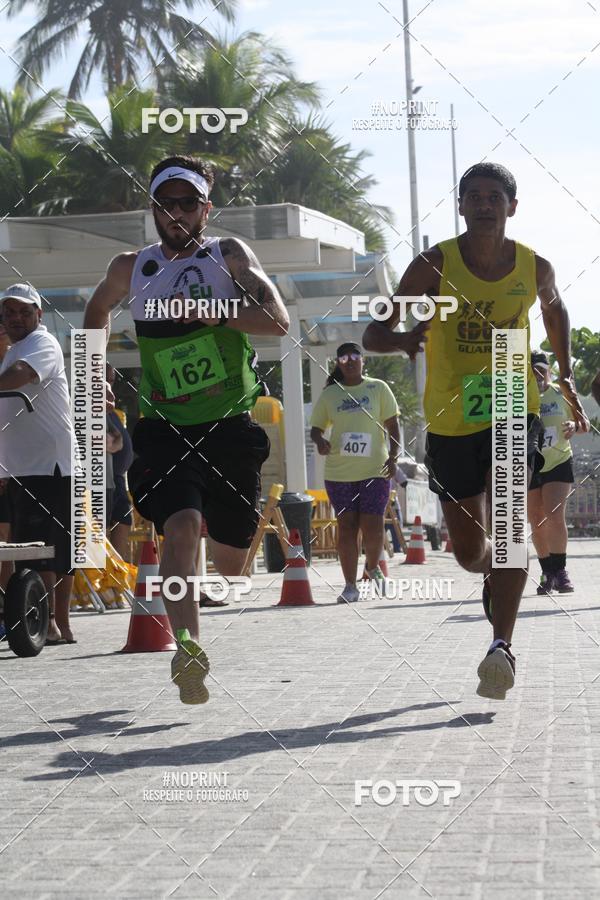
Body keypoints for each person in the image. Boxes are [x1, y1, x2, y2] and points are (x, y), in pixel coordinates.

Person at [363, 162, 589, 700]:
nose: (485, 205)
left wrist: (566, 377)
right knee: (470, 550)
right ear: (461, 206)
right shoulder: (432, 265)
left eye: (495, 197)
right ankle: (493, 572)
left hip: (513, 394)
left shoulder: (535, 267)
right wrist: (402, 342)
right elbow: (375, 330)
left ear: (512, 206)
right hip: (451, 415)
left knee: (511, 527)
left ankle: (501, 647)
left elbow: (555, 314)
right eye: (475, 197)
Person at [84, 154, 289, 704]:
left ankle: (212, 585)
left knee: (228, 561)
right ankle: (189, 649)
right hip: (164, 425)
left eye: (187, 203)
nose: (175, 213)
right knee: (180, 526)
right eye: (165, 203)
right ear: (153, 208)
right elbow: (96, 311)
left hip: (227, 426)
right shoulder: (132, 266)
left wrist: (215, 313)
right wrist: (95, 367)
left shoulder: (229, 256)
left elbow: (277, 322)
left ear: (206, 208)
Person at [0, 283, 76, 644]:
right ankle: (51, 624)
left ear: (39, 315)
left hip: (48, 465)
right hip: (21, 466)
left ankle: (51, 624)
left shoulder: (41, 344)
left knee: (46, 550)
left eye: (23, 311)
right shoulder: (14, 348)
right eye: (9, 312)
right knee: (34, 548)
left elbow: (20, 376)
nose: (16, 317)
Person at [309, 343, 401, 603]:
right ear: (337, 362)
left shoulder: (378, 388)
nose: (349, 361)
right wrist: (320, 441)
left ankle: (372, 568)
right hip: (339, 472)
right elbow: (316, 428)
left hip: (375, 468)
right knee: (347, 527)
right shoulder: (330, 395)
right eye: (343, 357)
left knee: (372, 526)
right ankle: (350, 586)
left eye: (354, 356)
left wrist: (394, 457)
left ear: (363, 360)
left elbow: (393, 425)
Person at [528, 350, 579, 593]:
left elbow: (584, 423)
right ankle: (547, 571)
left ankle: (561, 571)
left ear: (549, 372)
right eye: (533, 370)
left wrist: (573, 424)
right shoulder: (520, 395)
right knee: (536, 519)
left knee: (554, 514)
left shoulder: (561, 393)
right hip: (531, 462)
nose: (538, 375)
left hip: (558, 459)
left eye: (542, 370)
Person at [106, 365, 134, 561]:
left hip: (117, 478)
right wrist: (116, 442)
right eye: (105, 378)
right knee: (105, 527)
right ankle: (106, 578)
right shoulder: (89, 406)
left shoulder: (111, 412)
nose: (109, 384)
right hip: (102, 479)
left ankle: (117, 574)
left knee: (124, 519)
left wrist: (117, 441)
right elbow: (108, 442)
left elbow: (117, 441)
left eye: (112, 380)